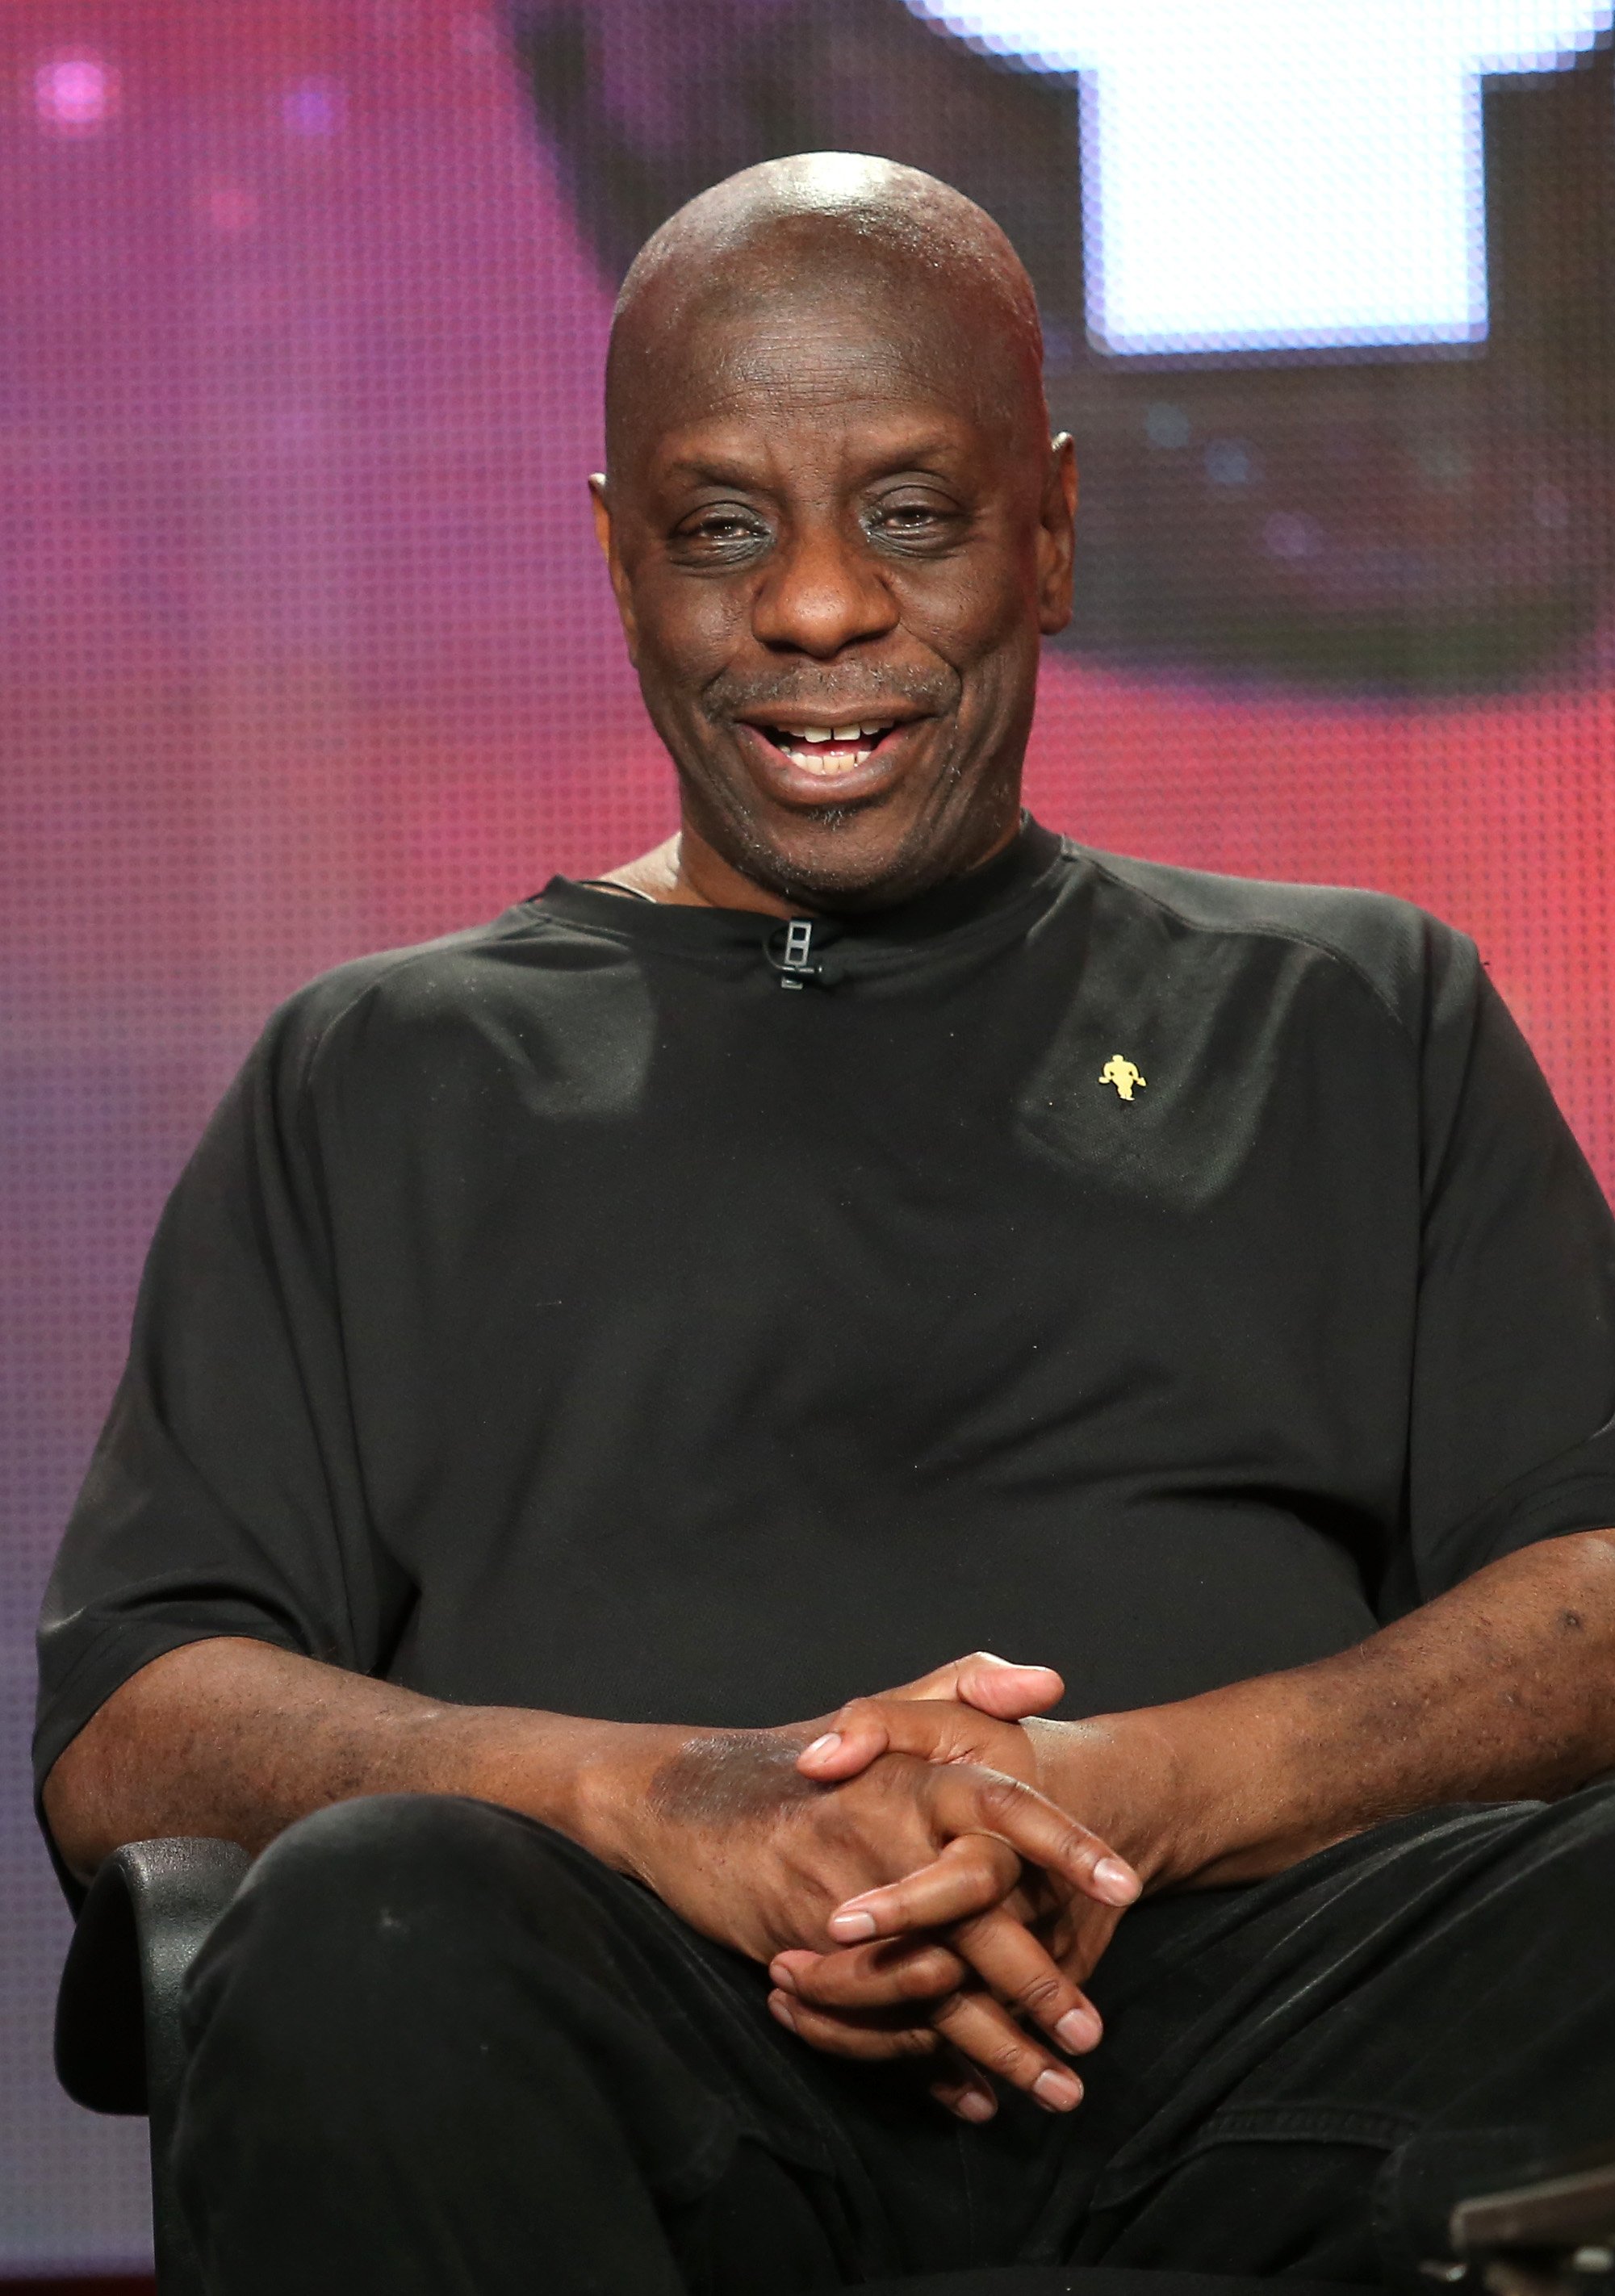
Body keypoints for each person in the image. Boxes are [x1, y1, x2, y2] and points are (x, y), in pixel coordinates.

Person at [35, 151, 1615, 2296]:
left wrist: (1111, 1798)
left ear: (1046, 527)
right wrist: (671, 1805)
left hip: (1267, 2029)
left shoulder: (1351, 1013)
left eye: (906, 513)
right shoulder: (381, 1077)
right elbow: (136, 1731)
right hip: (623, 2062)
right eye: (716, 531)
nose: (808, 612)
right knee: (371, 1923)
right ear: (618, 564)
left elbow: (1594, 1587)